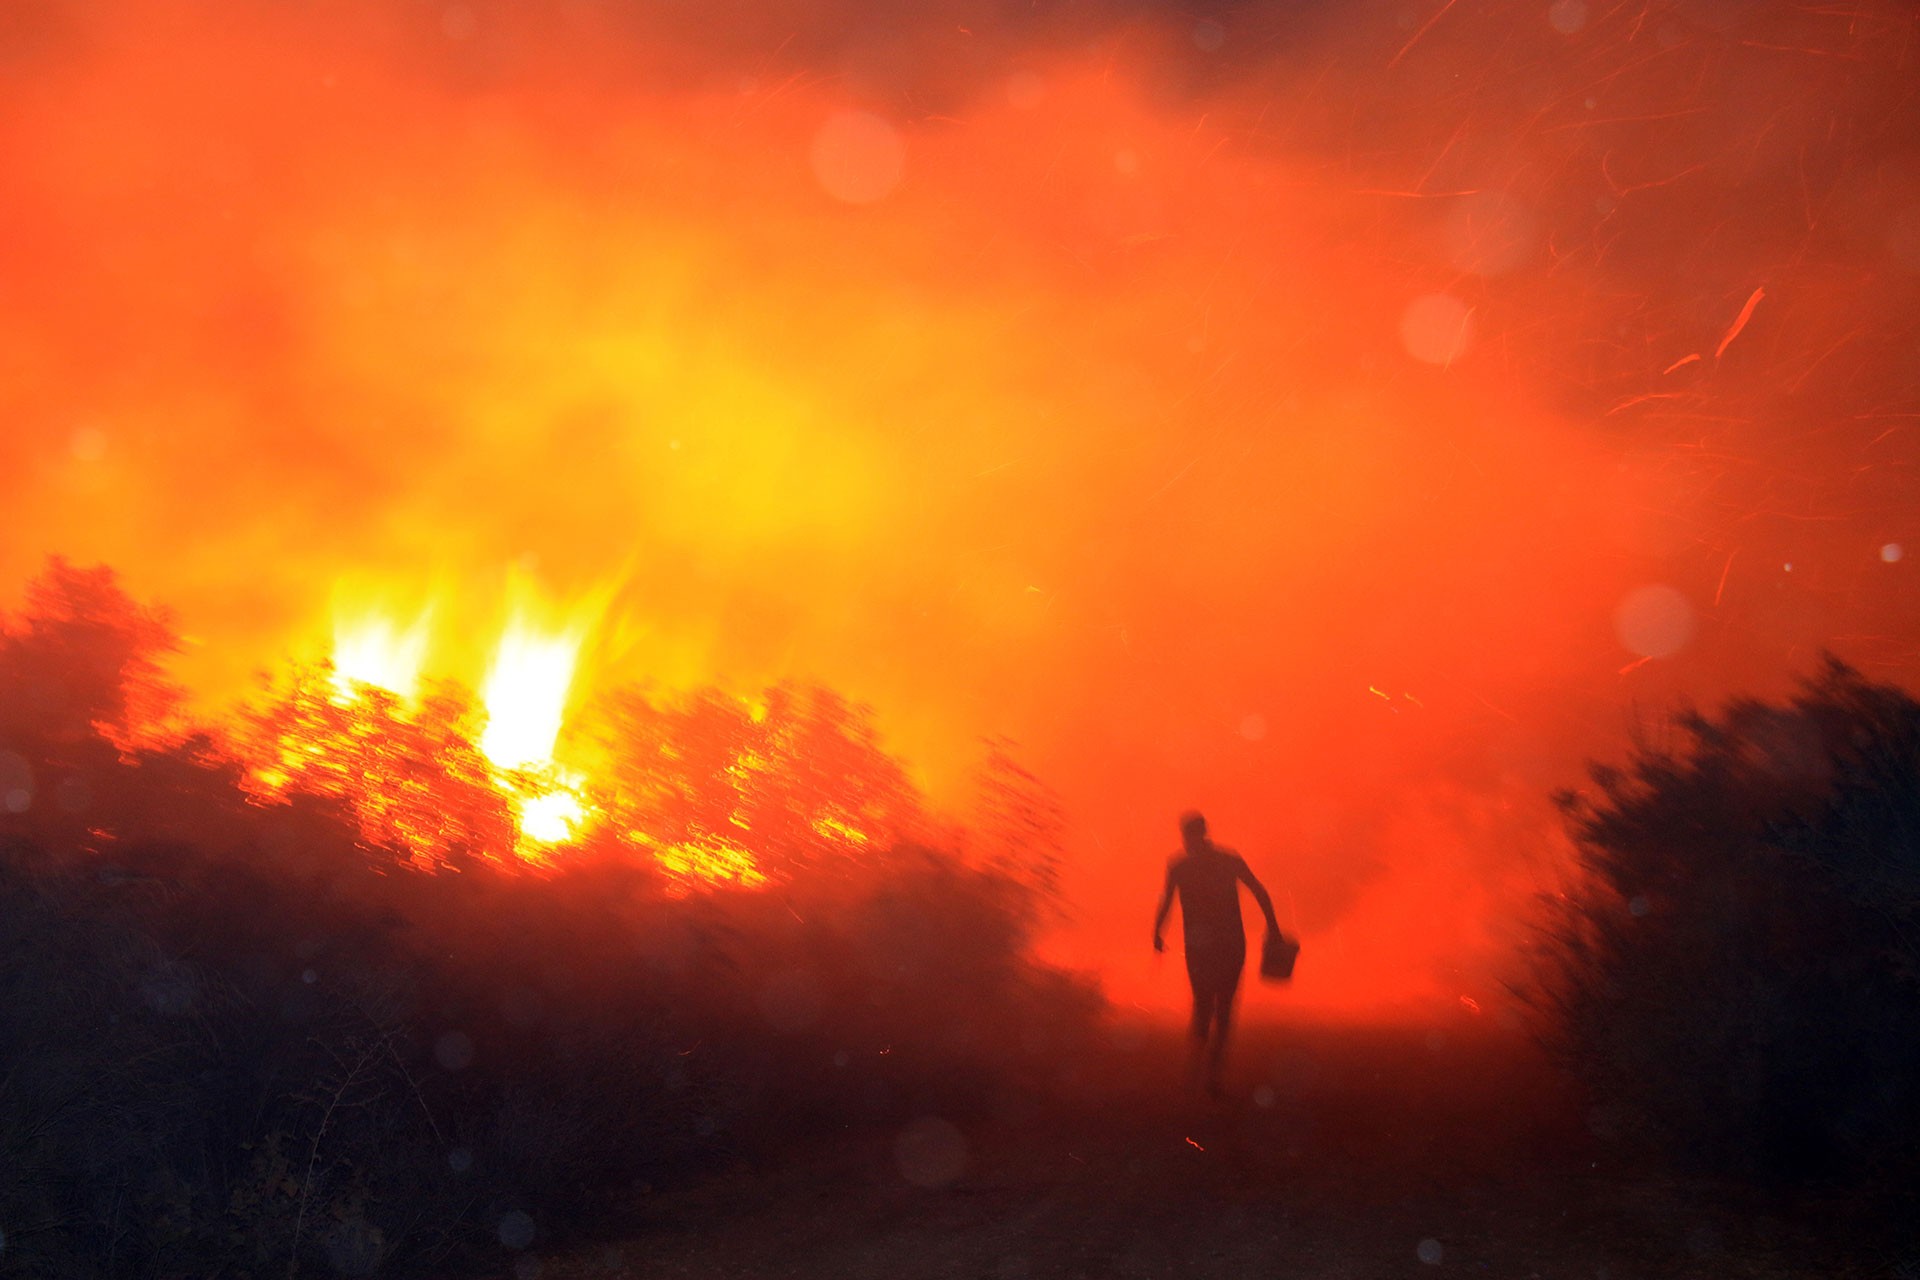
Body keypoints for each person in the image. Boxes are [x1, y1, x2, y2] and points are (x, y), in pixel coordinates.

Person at [1152, 810, 1281, 1097]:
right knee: (1224, 1010)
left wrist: (1157, 933)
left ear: (1187, 835)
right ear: (1204, 832)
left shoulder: (1180, 866)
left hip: (1200, 948)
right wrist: (1273, 928)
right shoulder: (1228, 860)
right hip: (1231, 945)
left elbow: (1166, 901)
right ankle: (1211, 1075)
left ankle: (1195, 1073)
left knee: (1202, 1006)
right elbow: (1260, 892)